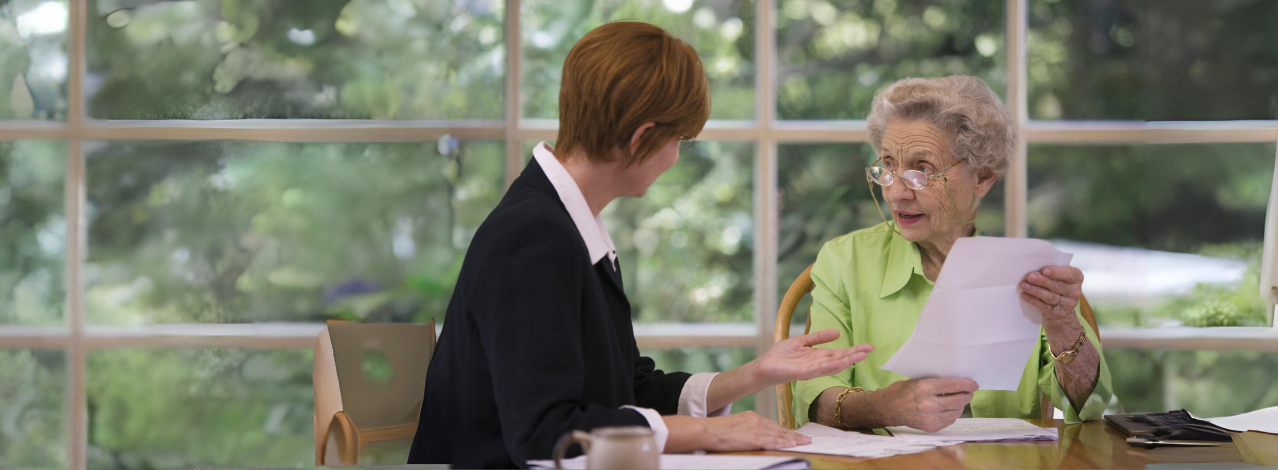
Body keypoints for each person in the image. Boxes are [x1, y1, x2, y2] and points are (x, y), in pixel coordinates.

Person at [409, 22, 874, 469]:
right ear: (641, 137)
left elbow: (626, 390)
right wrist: (708, 434)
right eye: (679, 139)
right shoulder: (534, 237)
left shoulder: (566, 223)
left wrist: (753, 376)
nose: (675, 156)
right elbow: (545, 434)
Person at [793, 76, 1115, 432]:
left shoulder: (1029, 274)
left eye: (922, 169)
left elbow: (1091, 408)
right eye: (887, 165)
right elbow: (812, 399)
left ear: (983, 177)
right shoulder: (845, 262)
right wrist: (882, 407)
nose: (897, 192)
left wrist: (1064, 326)